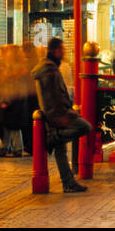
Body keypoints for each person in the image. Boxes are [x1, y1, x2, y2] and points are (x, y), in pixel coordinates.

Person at [31, 37, 91, 192]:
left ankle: (68, 183)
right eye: (62, 49)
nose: (64, 52)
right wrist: (60, 116)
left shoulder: (52, 67)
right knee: (85, 127)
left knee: (60, 150)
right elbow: (51, 96)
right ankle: (55, 137)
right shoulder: (48, 69)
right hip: (58, 114)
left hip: (58, 114)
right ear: (54, 50)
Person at [0, 45, 27, 156]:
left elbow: (11, 86)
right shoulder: (17, 67)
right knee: (10, 125)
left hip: (13, 101)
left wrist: (6, 100)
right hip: (16, 101)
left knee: (12, 126)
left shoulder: (14, 69)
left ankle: (14, 148)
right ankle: (10, 147)